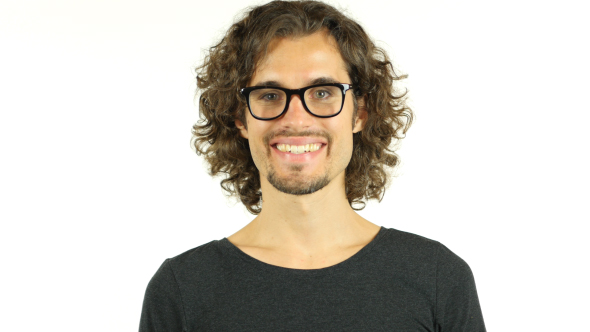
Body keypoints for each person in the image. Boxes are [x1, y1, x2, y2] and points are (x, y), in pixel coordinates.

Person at [139, 1, 486, 331]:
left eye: (322, 92)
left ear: (360, 112)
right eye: (269, 95)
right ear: (239, 118)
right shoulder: (182, 290)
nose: (296, 118)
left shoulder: (438, 277)